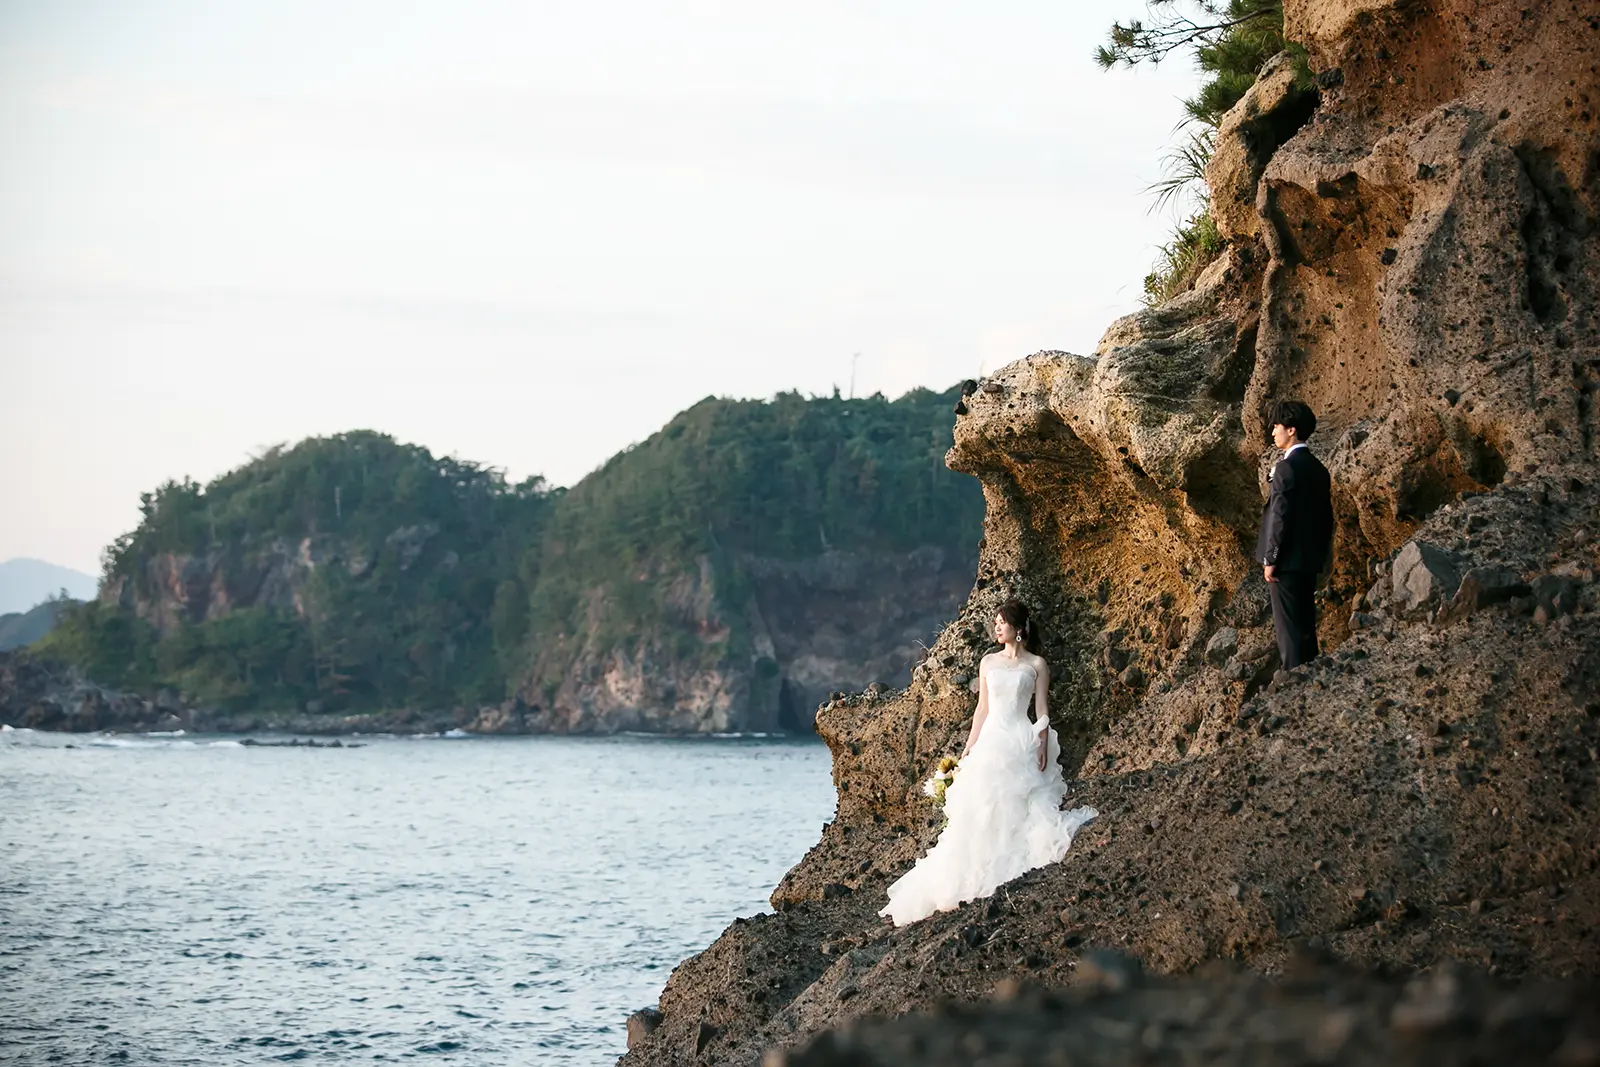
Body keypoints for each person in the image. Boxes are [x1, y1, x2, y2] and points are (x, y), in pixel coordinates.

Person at [880, 599, 1097, 927]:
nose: (996, 627)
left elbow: (1041, 710)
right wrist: (968, 748)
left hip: (1021, 739)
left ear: (1018, 628)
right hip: (992, 739)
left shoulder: (1037, 665)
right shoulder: (987, 662)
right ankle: (972, 871)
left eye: (1002, 622)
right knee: (980, 807)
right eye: (995, 622)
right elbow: (982, 709)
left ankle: (1008, 863)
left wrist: (1041, 743)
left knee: (1017, 802)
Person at [1254, 399, 1335, 670]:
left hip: (1286, 563)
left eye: (1277, 425)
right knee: (1305, 625)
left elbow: (1280, 516)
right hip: (1309, 561)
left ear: (1291, 429)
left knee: (1288, 631)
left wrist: (1271, 558)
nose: (1273, 431)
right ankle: (1311, 677)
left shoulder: (1287, 468)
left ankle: (1295, 683)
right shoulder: (1318, 469)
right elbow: (1325, 518)